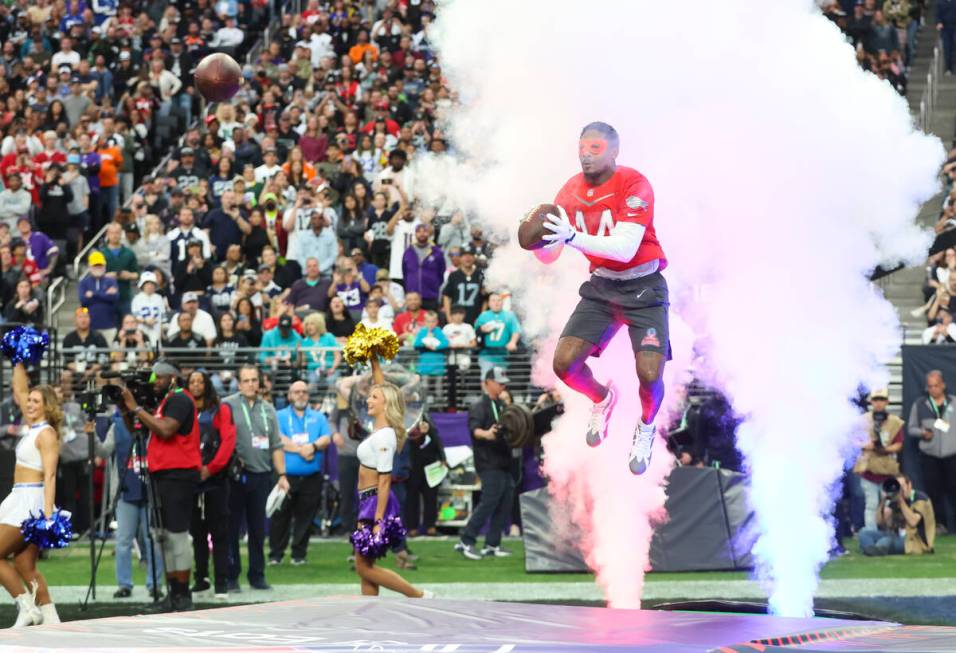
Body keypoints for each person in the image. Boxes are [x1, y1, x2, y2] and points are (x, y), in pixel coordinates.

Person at [536, 122, 668, 475]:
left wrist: (572, 234)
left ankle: (646, 425)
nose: (585, 154)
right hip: (603, 287)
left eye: (595, 148)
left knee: (650, 373)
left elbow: (625, 249)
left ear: (613, 152)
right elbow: (551, 253)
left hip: (644, 286)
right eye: (582, 147)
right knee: (564, 365)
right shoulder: (569, 191)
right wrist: (539, 241)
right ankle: (602, 397)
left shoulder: (634, 182)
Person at [117, 360, 201, 612]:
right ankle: (173, 593)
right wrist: (126, 410)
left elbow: (165, 430)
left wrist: (137, 407)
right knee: (162, 536)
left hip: (179, 475)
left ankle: (183, 595)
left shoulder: (180, 399)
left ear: (172, 378)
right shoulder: (164, 402)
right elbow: (137, 430)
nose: (153, 384)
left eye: (158, 379)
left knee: (176, 535)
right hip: (162, 475)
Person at [352, 355, 429, 599]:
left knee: (363, 566)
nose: (368, 399)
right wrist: (375, 363)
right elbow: (382, 387)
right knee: (366, 567)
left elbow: (385, 480)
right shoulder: (379, 428)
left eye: (374, 397)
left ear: (385, 405)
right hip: (369, 500)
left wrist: (377, 521)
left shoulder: (385, 436)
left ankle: (417, 595)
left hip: (376, 504)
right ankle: (369, 613)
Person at [0, 361, 63, 626]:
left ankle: (26, 607)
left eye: (36, 401)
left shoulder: (46, 434)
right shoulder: (33, 426)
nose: (30, 404)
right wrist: (19, 359)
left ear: (47, 405)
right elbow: (19, 390)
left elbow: (49, 475)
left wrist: (48, 516)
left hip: (31, 502)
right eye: (30, 401)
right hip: (20, 497)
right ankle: (51, 618)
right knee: (26, 566)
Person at [222, 365, 290, 591]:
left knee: (258, 529)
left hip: (262, 475)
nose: (251, 384)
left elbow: (276, 445)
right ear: (239, 384)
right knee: (231, 528)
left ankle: (257, 575)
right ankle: (231, 576)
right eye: (246, 380)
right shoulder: (228, 405)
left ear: (259, 383)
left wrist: (282, 474)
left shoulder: (269, 409)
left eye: (254, 380)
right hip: (235, 476)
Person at [455, 367, 515, 561]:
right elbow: (475, 430)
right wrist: (487, 434)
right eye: (499, 382)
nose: (502, 385)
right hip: (488, 462)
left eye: (504, 383)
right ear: (488, 382)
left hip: (503, 460)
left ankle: (492, 544)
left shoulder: (500, 404)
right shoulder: (479, 405)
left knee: (505, 501)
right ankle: (466, 540)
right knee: (489, 501)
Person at [269, 381, 332, 566]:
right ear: (289, 395)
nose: (301, 395)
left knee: (306, 517)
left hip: (311, 477)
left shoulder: (318, 417)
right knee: (280, 517)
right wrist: (301, 450)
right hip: (285, 476)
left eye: (304, 392)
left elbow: (326, 438)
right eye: (296, 392)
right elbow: (278, 438)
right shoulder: (279, 415)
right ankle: (275, 555)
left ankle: (299, 555)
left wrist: (312, 446)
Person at [187, 371, 236, 599]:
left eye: (200, 381)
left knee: (219, 533)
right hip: (192, 479)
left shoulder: (221, 409)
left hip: (216, 480)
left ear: (207, 384)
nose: (196, 385)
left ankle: (221, 582)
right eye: (192, 382)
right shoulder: (184, 410)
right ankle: (201, 578)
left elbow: (228, 441)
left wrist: (211, 468)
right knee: (197, 533)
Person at [109, 409, 164, 600]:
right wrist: (90, 432)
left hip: (151, 490)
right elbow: (103, 450)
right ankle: (124, 584)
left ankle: (155, 584)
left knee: (154, 540)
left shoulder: (155, 422)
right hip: (126, 491)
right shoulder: (117, 424)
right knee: (124, 541)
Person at [906, 370, 956, 533]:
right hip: (930, 456)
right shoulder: (920, 404)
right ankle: (940, 524)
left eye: (936, 386)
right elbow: (911, 428)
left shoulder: (954, 402)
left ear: (943, 385)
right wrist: (922, 433)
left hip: (952, 454)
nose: (933, 389)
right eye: (930, 386)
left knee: (954, 490)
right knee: (934, 492)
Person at [853, 389, 904, 530]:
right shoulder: (863, 420)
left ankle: (886, 532)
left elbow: (899, 444)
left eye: (882, 400)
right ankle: (871, 533)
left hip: (887, 470)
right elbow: (855, 440)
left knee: (887, 504)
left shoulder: (895, 422)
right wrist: (867, 445)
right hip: (868, 468)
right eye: (876, 400)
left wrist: (884, 449)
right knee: (871, 504)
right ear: (871, 401)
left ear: (887, 402)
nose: (879, 403)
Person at [858, 475, 935, 556]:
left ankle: (871, 548)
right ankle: (873, 549)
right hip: (896, 536)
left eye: (902, 486)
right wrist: (883, 501)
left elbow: (913, 522)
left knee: (885, 540)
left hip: (914, 541)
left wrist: (901, 501)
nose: (900, 490)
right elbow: (879, 522)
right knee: (864, 533)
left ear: (909, 485)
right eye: (898, 487)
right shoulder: (894, 499)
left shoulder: (920, 498)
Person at [405, 417, 446, 537]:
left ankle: (430, 527)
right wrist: (420, 433)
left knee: (431, 497)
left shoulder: (428, 421)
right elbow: (409, 440)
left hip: (430, 466)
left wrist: (442, 458)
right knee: (412, 499)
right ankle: (412, 528)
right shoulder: (406, 422)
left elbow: (437, 440)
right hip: (413, 465)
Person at [473, 292, 521, 379]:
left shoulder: (509, 315)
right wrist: (481, 329)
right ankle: (486, 393)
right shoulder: (483, 315)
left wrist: (513, 342)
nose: (496, 303)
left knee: (500, 379)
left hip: (503, 354)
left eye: (499, 300)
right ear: (489, 303)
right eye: (493, 300)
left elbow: (516, 330)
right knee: (485, 376)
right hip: (486, 353)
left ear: (502, 302)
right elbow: (475, 331)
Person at [401, 223, 445, 310]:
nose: (422, 234)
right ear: (415, 234)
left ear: (429, 234)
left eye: (424, 231)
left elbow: (441, 272)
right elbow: (405, 272)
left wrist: (433, 285)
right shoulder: (408, 251)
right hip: (413, 297)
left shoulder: (437, 252)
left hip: (430, 295)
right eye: (419, 232)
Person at [78, 250, 119, 341]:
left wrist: (93, 294)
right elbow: (83, 300)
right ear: (90, 266)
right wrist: (105, 294)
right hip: (90, 327)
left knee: (110, 353)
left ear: (104, 266)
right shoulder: (84, 282)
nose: (98, 268)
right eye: (95, 265)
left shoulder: (111, 281)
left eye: (100, 265)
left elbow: (114, 298)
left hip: (110, 326)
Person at [442, 244, 486, 325]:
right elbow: (446, 296)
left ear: (474, 257)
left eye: (470, 255)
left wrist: (482, 318)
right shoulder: (454, 275)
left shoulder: (480, 275)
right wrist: (449, 317)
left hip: (475, 318)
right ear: (460, 258)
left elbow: (485, 299)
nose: (467, 258)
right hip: (456, 319)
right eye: (464, 255)